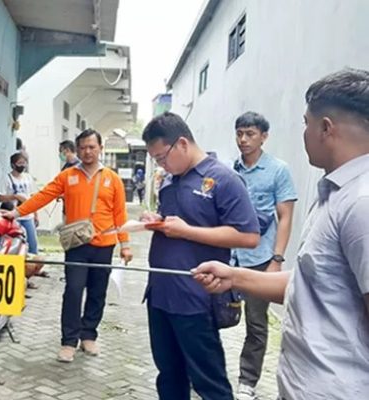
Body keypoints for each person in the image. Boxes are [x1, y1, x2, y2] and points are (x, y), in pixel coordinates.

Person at [194, 69, 369, 400]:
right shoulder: (333, 192)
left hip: (338, 391)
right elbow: (310, 283)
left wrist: (272, 258)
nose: (303, 133)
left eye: (306, 123)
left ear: (326, 128)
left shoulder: (362, 202)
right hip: (304, 386)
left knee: (257, 328)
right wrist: (233, 275)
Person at [140, 112, 260, 400]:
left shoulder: (223, 179)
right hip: (160, 294)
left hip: (195, 297)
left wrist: (187, 231)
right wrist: (157, 220)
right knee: (169, 375)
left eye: (161, 157)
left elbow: (248, 236)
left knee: (209, 381)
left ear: (182, 143)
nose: (161, 164)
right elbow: (178, 221)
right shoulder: (170, 180)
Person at [1, 129, 133, 363]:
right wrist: (17, 212)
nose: (87, 151)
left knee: (97, 292)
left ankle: (89, 335)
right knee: (73, 290)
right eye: (82, 147)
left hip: (104, 244)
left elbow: (120, 214)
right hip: (76, 244)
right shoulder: (68, 176)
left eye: (92, 147)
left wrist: (125, 244)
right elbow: (44, 196)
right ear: (77, 149)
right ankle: (69, 341)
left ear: (100, 148)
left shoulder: (112, 179)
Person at [230, 111, 298, 400]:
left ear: (264, 136)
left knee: (256, 325)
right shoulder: (231, 170)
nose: (243, 140)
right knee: (211, 314)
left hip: (260, 260)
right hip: (229, 256)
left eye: (250, 134)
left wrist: (277, 260)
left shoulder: (277, 170)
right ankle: (204, 373)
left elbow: (285, 216)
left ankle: (248, 381)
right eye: (240, 133)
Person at [0, 152, 39, 255]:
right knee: (14, 244)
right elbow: (0, 197)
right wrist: (14, 196)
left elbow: (34, 197)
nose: (22, 165)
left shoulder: (28, 178)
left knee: (32, 244)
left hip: (28, 215)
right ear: (13, 164)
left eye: (24, 163)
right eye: (19, 163)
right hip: (13, 215)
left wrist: (36, 214)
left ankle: (31, 267)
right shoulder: (7, 178)